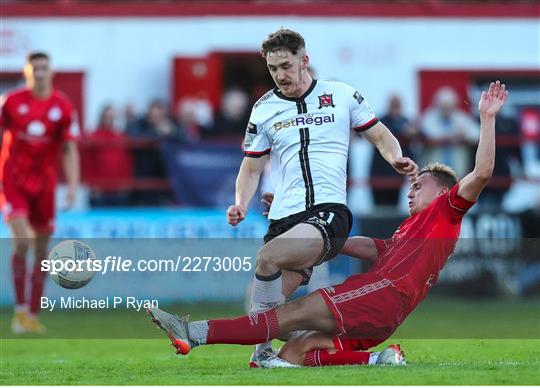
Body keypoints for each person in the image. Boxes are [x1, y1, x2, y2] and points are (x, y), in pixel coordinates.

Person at [147, 81, 508, 367]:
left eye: (419, 184)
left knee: (285, 316)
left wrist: (487, 118)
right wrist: (298, 216)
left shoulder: (448, 209)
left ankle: (193, 332)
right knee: (293, 353)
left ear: (444, 190)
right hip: (382, 312)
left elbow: (484, 172)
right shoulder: (410, 230)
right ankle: (379, 360)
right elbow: (365, 247)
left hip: (380, 297)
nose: (411, 190)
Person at [230, 28, 420, 366]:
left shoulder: (341, 95)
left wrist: (395, 158)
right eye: (273, 69)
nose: (280, 75)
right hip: (284, 217)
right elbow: (251, 168)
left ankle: (260, 356)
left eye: (286, 66)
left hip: (328, 213)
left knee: (267, 257)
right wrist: (241, 203)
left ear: (305, 60)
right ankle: (342, 344)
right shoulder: (263, 108)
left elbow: (379, 134)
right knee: (260, 312)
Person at [0, 52, 80, 333]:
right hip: (13, 181)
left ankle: (33, 315)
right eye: (35, 68)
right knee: (22, 240)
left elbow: (70, 148)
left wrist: (72, 186)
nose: (40, 72)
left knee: (42, 251)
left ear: (52, 71)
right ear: (27, 71)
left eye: (44, 68)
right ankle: (20, 311)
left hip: (44, 186)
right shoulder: (11, 102)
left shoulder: (63, 107)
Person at [420, 87, 479, 178]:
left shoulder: (461, 117)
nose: (446, 109)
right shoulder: (429, 116)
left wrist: (463, 136)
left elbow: (476, 135)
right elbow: (430, 135)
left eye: (449, 105)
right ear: (437, 104)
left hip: (457, 170)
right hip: (433, 172)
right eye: (443, 106)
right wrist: (455, 135)